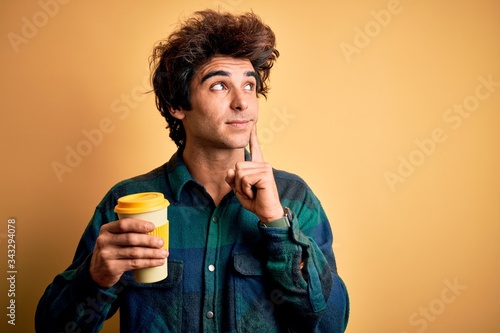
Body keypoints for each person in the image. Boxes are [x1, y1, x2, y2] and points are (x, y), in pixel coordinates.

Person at [35, 9, 349, 333]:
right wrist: (95, 276)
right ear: (177, 105)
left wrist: (276, 223)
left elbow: (330, 325)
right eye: (219, 86)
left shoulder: (294, 199)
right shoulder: (126, 203)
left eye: (249, 85)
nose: (242, 102)